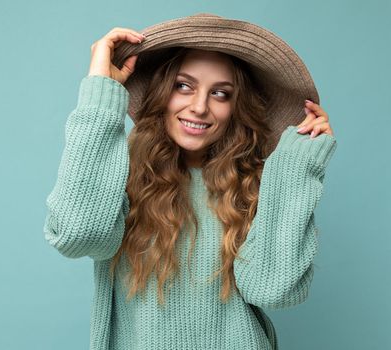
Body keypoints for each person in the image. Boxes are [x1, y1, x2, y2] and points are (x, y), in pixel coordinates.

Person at [44, 13, 337, 350]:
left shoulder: (258, 187)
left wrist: (297, 168)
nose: (199, 107)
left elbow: (273, 289)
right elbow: (76, 236)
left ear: (236, 107)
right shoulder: (112, 180)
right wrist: (100, 93)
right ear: (160, 93)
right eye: (183, 86)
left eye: (221, 94)